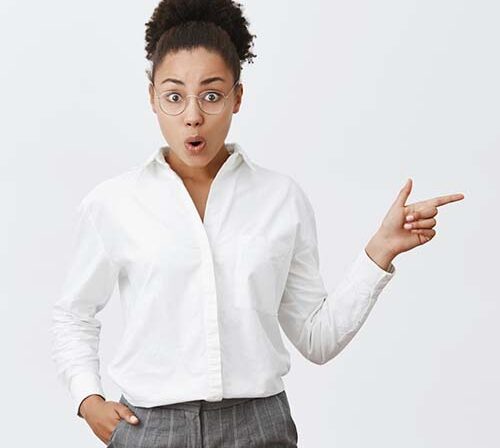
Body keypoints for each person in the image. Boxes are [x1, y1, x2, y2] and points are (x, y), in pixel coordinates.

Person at [50, 0, 465, 446]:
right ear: (152, 97)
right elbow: (74, 313)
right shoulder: (114, 203)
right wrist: (87, 398)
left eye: (211, 95)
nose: (193, 115)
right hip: (150, 427)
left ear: (237, 97)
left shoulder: (280, 199)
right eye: (174, 96)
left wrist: (380, 250)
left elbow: (317, 338)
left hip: (259, 427)